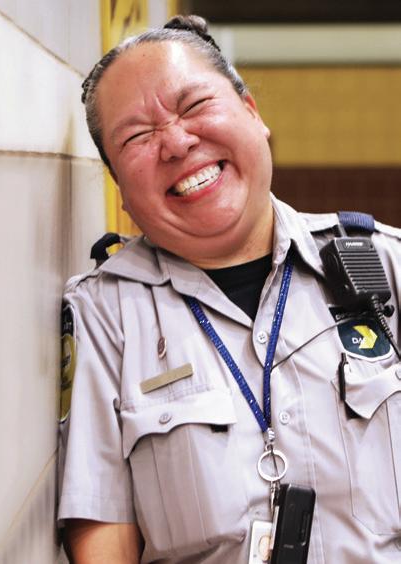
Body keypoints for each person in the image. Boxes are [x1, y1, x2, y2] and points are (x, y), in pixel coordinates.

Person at [57, 14, 401, 564]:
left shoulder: (385, 263)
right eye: (138, 136)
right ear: (120, 188)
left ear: (252, 113)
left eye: (194, 105)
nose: (175, 142)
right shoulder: (106, 312)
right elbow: (104, 532)